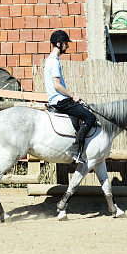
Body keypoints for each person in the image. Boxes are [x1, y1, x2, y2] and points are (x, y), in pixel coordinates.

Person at [44, 30, 96, 164]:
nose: (67, 46)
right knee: (90, 117)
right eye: (66, 43)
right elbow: (57, 85)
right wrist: (73, 96)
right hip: (61, 101)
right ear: (58, 43)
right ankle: (75, 150)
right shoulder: (54, 62)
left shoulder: (49, 60)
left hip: (56, 100)